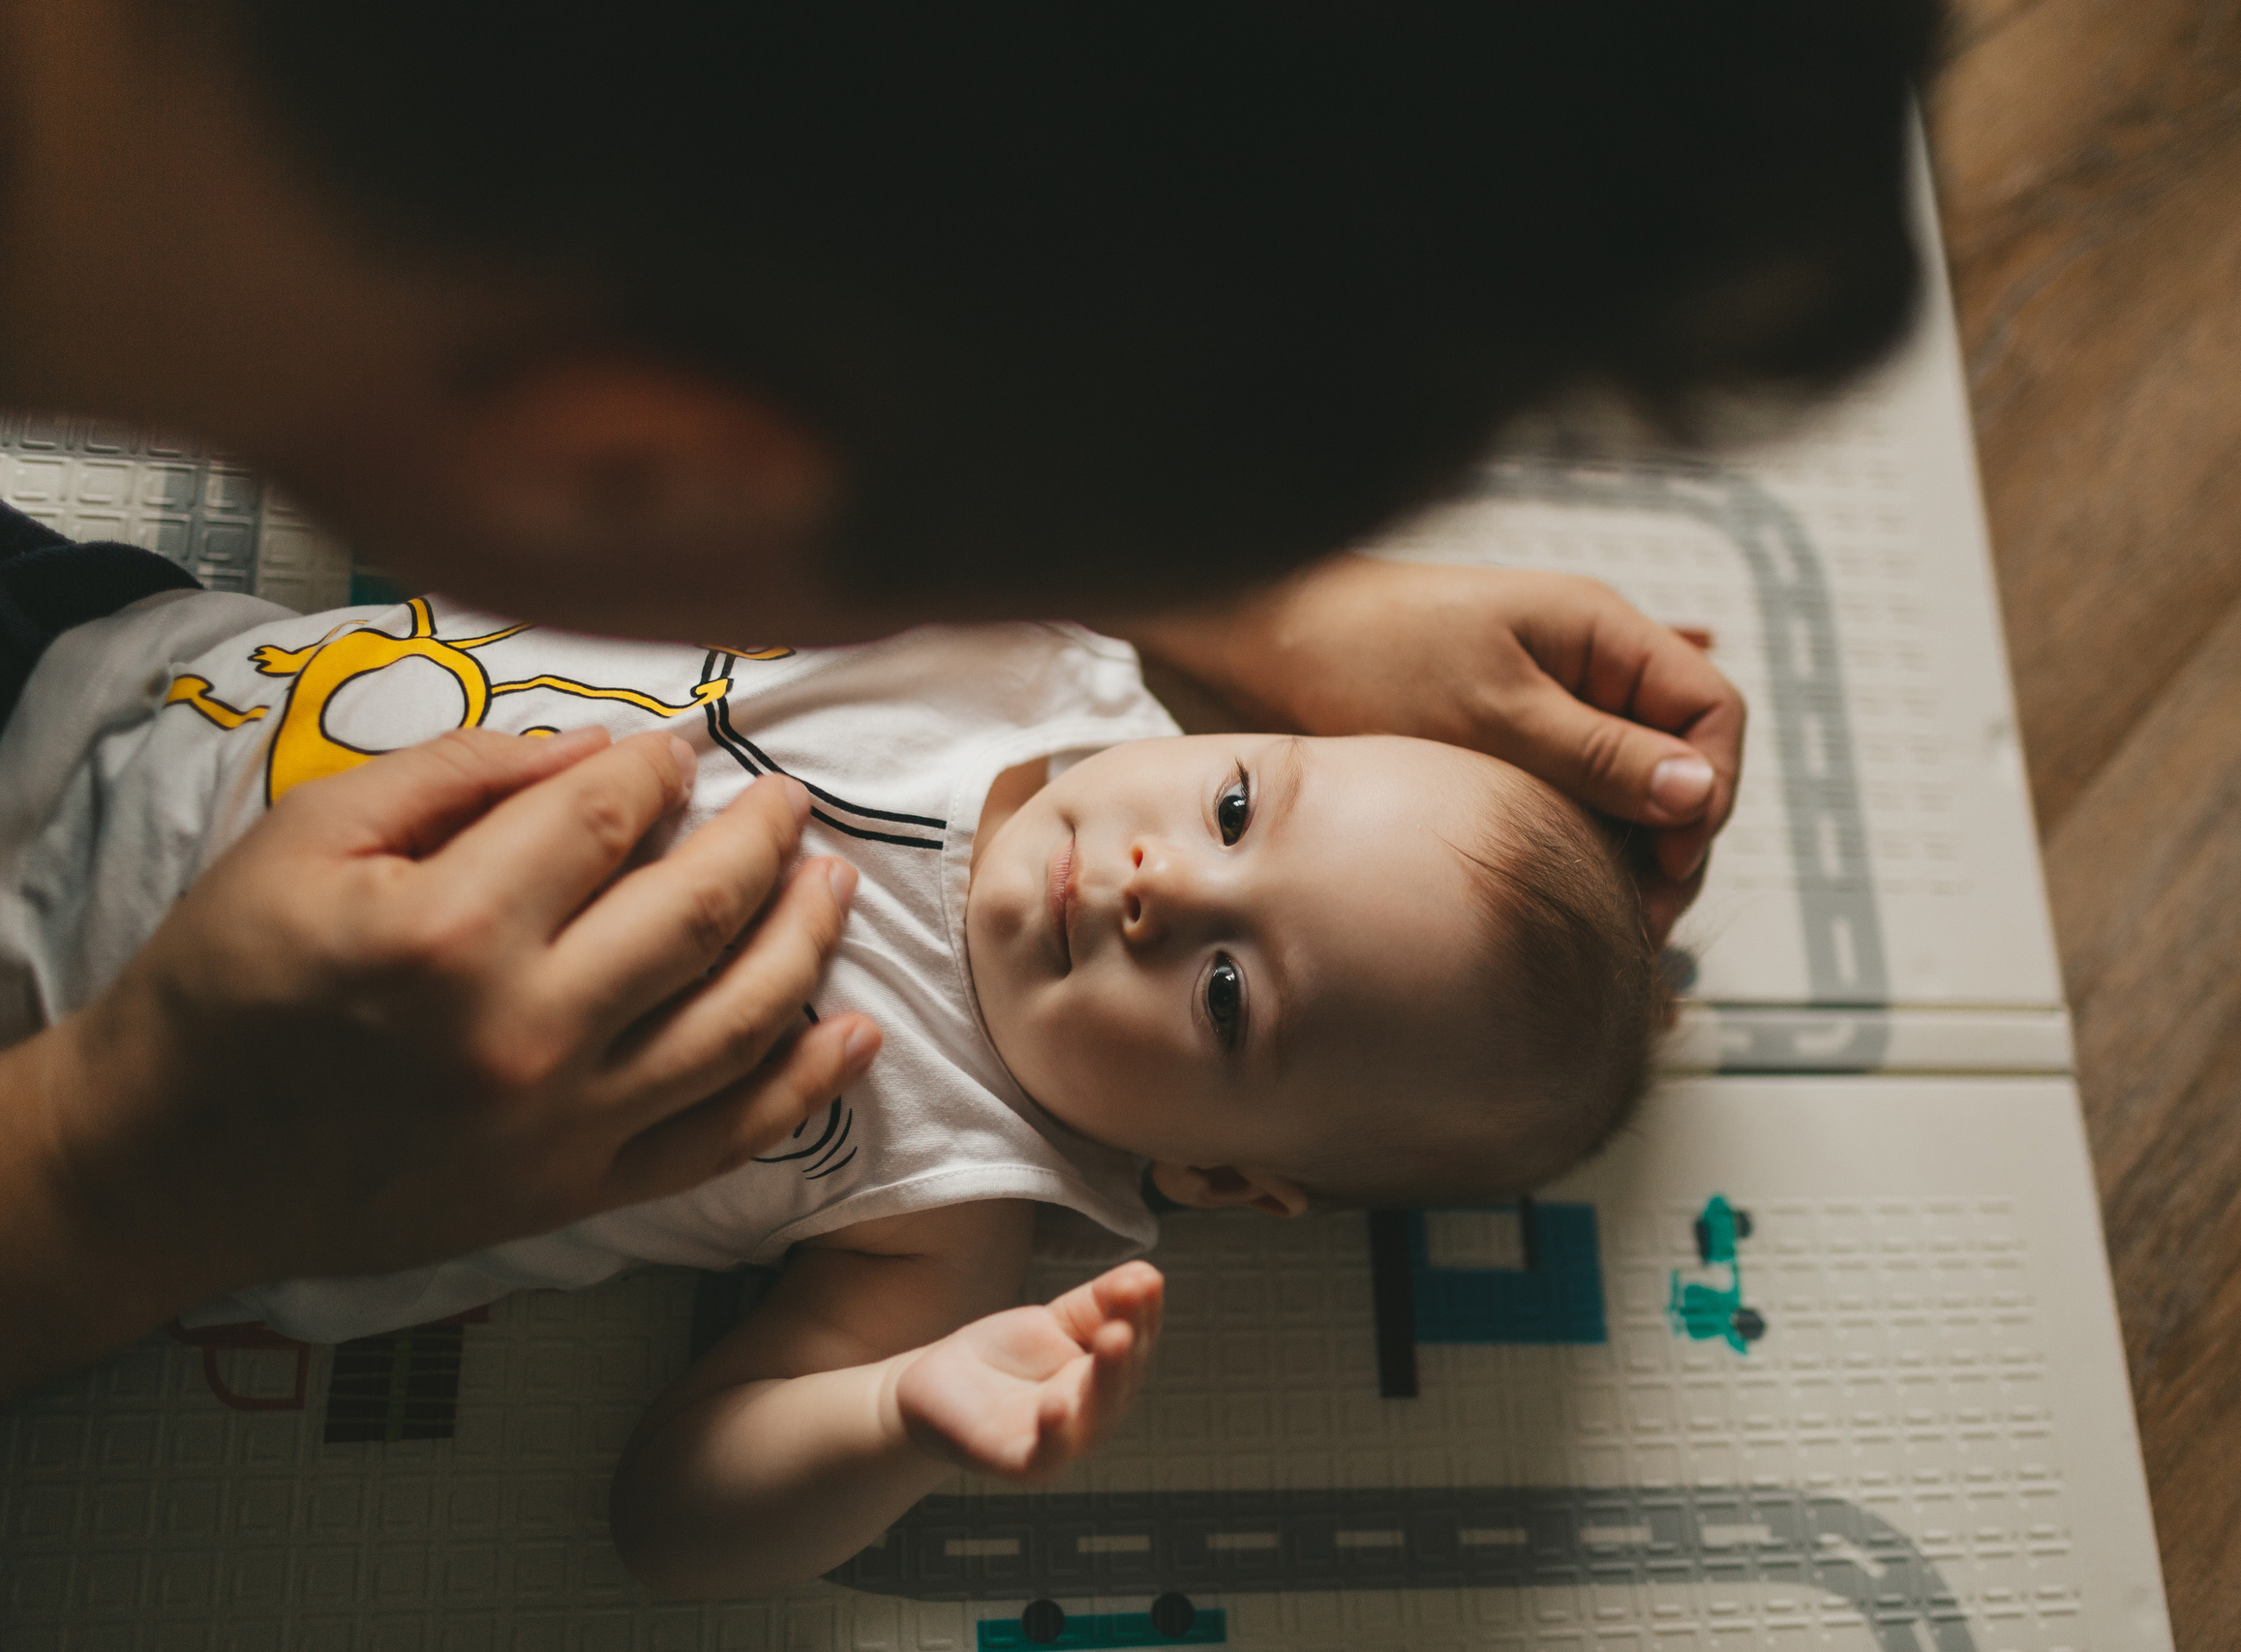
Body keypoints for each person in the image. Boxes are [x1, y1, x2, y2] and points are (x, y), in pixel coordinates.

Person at [0, 0, 1936, 1395]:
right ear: (636, 465)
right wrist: (112, 1170)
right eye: (958, 546)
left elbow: (720, 1486)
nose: (1164, 874)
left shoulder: (950, 1196)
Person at [8, 590, 1660, 1594]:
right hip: (117, 683)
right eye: (1237, 805)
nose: (1165, 886)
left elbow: (674, 1523)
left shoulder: (947, 1203)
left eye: (1229, 997)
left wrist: (896, 1420)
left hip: (87, 1080)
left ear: (1223, 1182)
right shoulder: (1026, 640)